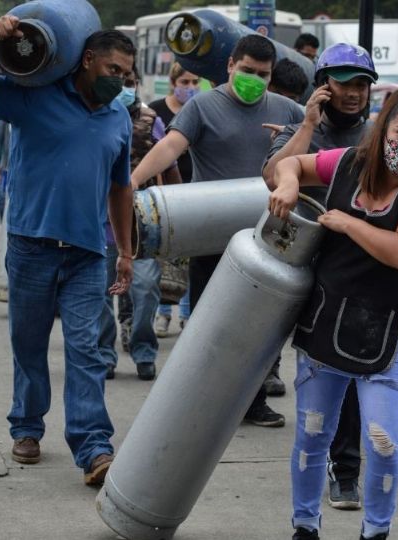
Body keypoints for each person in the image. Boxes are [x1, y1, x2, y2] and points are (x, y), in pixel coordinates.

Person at [267, 84, 398, 540]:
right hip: (325, 323)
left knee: (383, 441)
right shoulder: (350, 163)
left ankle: (376, 531)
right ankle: (305, 526)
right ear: (383, 130)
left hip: (388, 334)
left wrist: (347, 222)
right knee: (313, 435)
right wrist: (291, 181)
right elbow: (286, 165)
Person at [0, 16, 136, 486]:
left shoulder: (118, 115)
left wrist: (126, 250)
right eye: (113, 70)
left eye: (126, 75)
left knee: (87, 350)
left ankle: (94, 447)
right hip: (31, 245)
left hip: (87, 253)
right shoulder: (34, 98)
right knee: (30, 346)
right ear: (88, 60)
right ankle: (27, 425)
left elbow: (121, 189)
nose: (118, 81)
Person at [131, 34, 304, 427]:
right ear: (230, 66)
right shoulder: (204, 107)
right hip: (212, 235)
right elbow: (170, 146)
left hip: (269, 235)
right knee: (210, 324)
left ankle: (254, 400)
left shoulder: (288, 110)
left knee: (261, 327)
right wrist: (133, 182)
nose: (254, 80)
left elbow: (318, 145)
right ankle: (203, 403)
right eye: (247, 71)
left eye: (263, 74)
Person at [262, 42, 378, 506]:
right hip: (297, 266)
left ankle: (345, 469)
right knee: (315, 376)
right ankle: (316, 461)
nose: (353, 93)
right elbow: (273, 176)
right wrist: (309, 124)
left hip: (356, 271)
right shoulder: (299, 130)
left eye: (362, 84)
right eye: (344, 83)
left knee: (349, 369)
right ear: (323, 86)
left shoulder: (380, 139)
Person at [99, 66, 181, 381]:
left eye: (130, 83)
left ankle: (143, 350)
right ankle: (104, 353)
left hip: (143, 223)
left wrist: (175, 209)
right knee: (100, 293)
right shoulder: (93, 117)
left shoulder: (151, 122)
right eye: (118, 82)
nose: (125, 88)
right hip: (99, 221)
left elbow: (170, 166)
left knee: (146, 289)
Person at [147, 62, 200, 337]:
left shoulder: (199, 109)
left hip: (193, 191)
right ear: (173, 82)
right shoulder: (157, 110)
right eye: (185, 82)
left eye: (195, 82)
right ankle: (163, 314)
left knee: (188, 259)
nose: (190, 88)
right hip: (165, 196)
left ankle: (187, 315)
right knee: (163, 257)